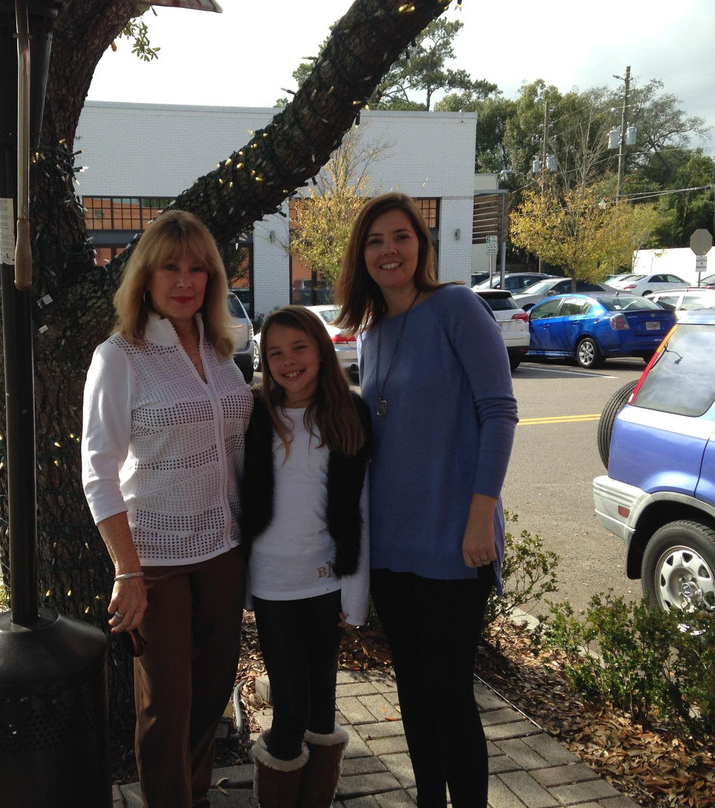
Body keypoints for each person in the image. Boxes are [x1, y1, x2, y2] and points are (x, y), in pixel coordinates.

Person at [335, 192, 519, 808]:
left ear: (422, 245)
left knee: (449, 692)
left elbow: (499, 412)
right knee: (412, 691)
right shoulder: (371, 333)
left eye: (401, 237)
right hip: (392, 545)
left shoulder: (456, 307)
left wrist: (480, 518)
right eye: (375, 241)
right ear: (361, 256)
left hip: (453, 539)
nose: (389, 251)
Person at [80, 210, 253, 808]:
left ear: (212, 279)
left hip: (225, 550)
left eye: (197, 269)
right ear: (145, 278)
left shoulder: (220, 349)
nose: (184, 281)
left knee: (212, 692)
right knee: (167, 706)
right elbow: (98, 471)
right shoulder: (120, 356)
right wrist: (127, 570)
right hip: (156, 558)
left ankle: (194, 793)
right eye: (170, 268)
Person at [239, 306, 371, 807]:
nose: (289, 361)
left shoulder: (350, 414)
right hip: (274, 584)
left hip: (327, 582)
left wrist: (355, 595)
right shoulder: (254, 415)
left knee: (322, 708)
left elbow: (360, 507)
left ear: (320, 349)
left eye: (299, 348)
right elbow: (236, 495)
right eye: (275, 353)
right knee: (291, 710)